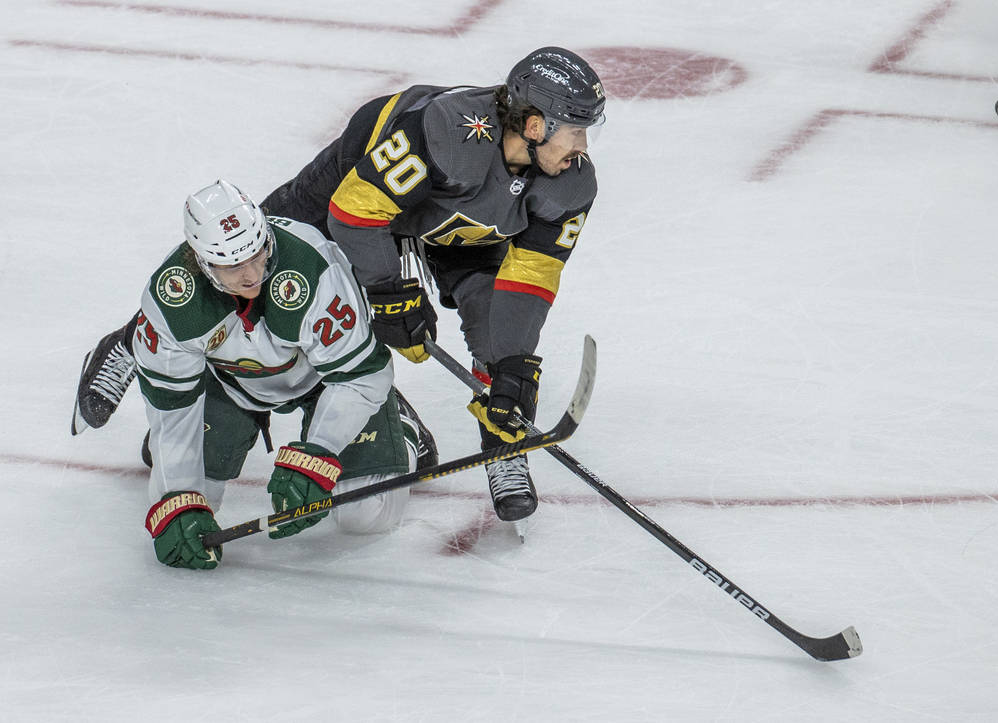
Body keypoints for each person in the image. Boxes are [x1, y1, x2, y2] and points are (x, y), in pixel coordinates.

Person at [71, 46, 606, 524]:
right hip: (354, 191)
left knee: (497, 336)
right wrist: (387, 292)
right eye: (577, 130)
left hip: (459, 231)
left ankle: (502, 445)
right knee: (252, 268)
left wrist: (511, 364)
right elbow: (356, 213)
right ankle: (132, 340)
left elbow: (532, 274)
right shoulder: (449, 130)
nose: (583, 147)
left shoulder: (572, 183)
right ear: (533, 125)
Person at [136, 180, 417, 569]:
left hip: (326, 379)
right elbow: (171, 406)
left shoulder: (310, 265)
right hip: (231, 386)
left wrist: (317, 453)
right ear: (200, 260)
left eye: (257, 254)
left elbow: (361, 375)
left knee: (368, 516)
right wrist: (175, 496)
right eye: (233, 264)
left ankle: (402, 428)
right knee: (192, 505)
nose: (252, 274)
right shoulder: (173, 301)